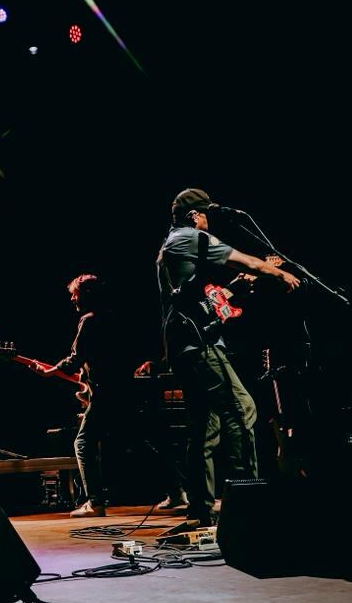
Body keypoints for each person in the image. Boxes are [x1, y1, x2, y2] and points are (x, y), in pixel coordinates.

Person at [156, 188, 300, 528]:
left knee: (205, 428)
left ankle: (201, 512)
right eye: (206, 214)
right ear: (195, 216)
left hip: (188, 344)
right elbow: (246, 259)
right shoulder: (189, 237)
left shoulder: (175, 248)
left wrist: (238, 286)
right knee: (242, 409)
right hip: (198, 345)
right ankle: (250, 505)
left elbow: (204, 301)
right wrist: (278, 273)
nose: (209, 221)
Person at [36, 275, 131, 518]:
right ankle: (177, 491)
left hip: (105, 393)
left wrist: (51, 371)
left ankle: (95, 502)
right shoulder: (116, 318)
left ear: (86, 295)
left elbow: (75, 358)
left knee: (83, 443)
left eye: (75, 293)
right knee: (143, 440)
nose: (72, 298)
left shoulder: (88, 321)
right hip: (124, 390)